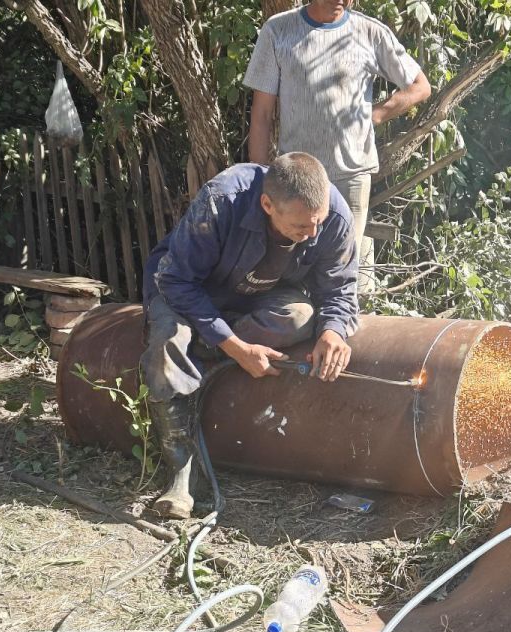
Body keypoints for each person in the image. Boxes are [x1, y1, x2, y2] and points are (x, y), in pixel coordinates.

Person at [141, 152, 358, 519]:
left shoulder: (332, 216)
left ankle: (204, 351)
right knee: (168, 338)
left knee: (300, 318)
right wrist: (235, 346)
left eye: (317, 222)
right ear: (267, 204)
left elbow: (339, 290)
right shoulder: (222, 200)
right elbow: (175, 280)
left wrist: (335, 331)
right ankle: (181, 472)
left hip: (255, 295)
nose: (313, 234)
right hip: (187, 290)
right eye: (302, 227)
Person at [244, 0, 431, 291]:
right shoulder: (279, 30)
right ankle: (295, 331)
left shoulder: (370, 32)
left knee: (342, 274)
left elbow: (420, 86)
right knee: (290, 275)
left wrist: (377, 114)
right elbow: (261, 114)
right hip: (295, 181)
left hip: (350, 176)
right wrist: (260, 179)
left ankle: (339, 333)